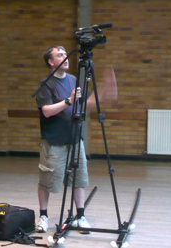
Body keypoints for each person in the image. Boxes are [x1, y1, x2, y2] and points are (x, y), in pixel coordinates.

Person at [35, 45, 117, 233]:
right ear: (51, 61)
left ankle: (80, 216)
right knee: (47, 181)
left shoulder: (73, 80)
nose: (65, 57)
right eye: (60, 54)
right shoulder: (46, 83)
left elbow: (87, 104)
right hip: (54, 142)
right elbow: (46, 111)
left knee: (79, 179)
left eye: (65, 53)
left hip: (75, 140)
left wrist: (102, 90)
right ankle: (43, 216)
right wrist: (68, 101)